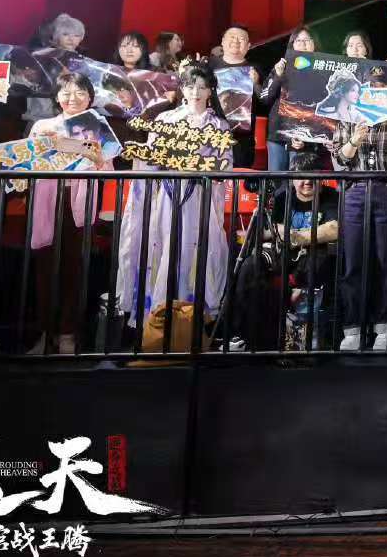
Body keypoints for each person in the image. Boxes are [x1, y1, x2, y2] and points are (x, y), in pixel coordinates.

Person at [115, 66, 233, 335]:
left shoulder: (219, 125)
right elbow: (152, 157)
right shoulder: (166, 119)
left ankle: (190, 322)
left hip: (198, 196)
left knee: (195, 249)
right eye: (190, 86)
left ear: (210, 91)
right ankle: (157, 319)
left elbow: (225, 165)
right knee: (163, 247)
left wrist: (204, 167)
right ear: (182, 89)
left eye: (202, 87)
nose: (196, 92)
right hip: (167, 195)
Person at [20, 72, 111, 355]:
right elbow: (25, 162)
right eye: (67, 93)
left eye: (80, 92)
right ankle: (45, 333)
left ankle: (68, 333)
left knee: (75, 266)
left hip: (79, 202)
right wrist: (51, 145)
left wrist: (74, 146)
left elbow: (107, 164)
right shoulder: (43, 125)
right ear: (57, 97)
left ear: (90, 97)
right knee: (44, 267)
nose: (73, 98)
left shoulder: (98, 125)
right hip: (47, 200)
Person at [333, 65, 387, 351]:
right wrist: (354, 140)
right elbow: (340, 159)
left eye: (382, 86)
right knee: (353, 260)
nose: (377, 90)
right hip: (356, 189)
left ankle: (385, 326)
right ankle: (353, 327)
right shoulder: (348, 115)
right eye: (372, 86)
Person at [230, 151, 342, 352]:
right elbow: (266, 231)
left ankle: (296, 317)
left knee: (319, 257)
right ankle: (241, 334)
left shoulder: (331, 196)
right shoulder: (282, 196)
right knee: (249, 265)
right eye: (301, 177)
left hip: (314, 256)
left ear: (321, 178)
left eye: (313, 176)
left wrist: (294, 236)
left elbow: (334, 229)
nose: (307, 182)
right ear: (292, 179)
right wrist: (292, 234)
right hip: (282, 255)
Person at [259, 25, 317, 171]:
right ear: (292, 44)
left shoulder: (321, 71)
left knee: (298, 179)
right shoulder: (281, 66)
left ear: (314, 44)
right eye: (298, 40)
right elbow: (265, 98)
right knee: (276, 180)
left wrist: (307, 138)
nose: (303, 44)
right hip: (278, 133)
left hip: (304, 135)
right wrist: (278, 76)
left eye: (307, 40)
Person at [212, 25, 261, 168]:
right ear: (222, 41)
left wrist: (256, 84)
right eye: (232, 37)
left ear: (248, 45)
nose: (236, 41)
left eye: (241, 38)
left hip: (243, 138)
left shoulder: (256, 69)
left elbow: (265, 101)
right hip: (213, 134)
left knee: (240, 174)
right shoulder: (209, 65)